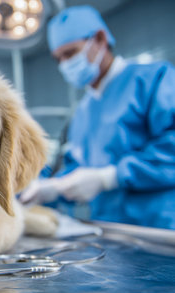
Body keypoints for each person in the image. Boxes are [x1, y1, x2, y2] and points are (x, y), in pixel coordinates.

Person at [20, 5, 175, 229]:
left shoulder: (154, 80)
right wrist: (53, 187)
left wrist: (110, 177)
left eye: (70, 53)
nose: (64, 64)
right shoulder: (82, 111)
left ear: (100, 39)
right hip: (111, 231)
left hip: (160, 228)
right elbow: (77, 170)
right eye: (58, 58)